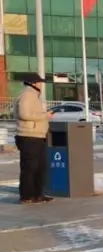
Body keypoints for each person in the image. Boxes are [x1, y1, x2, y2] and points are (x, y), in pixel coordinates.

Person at [14, 73, 52, 204]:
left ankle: (37, 194)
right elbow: (24, 114)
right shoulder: (27, 95)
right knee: (30, 168)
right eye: (39, 82)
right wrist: (44, 115)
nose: (41, 84)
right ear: (33, 83)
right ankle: (27, 196)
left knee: (39, 167)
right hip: (29, 136)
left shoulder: (33, 95)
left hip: (37, 136)